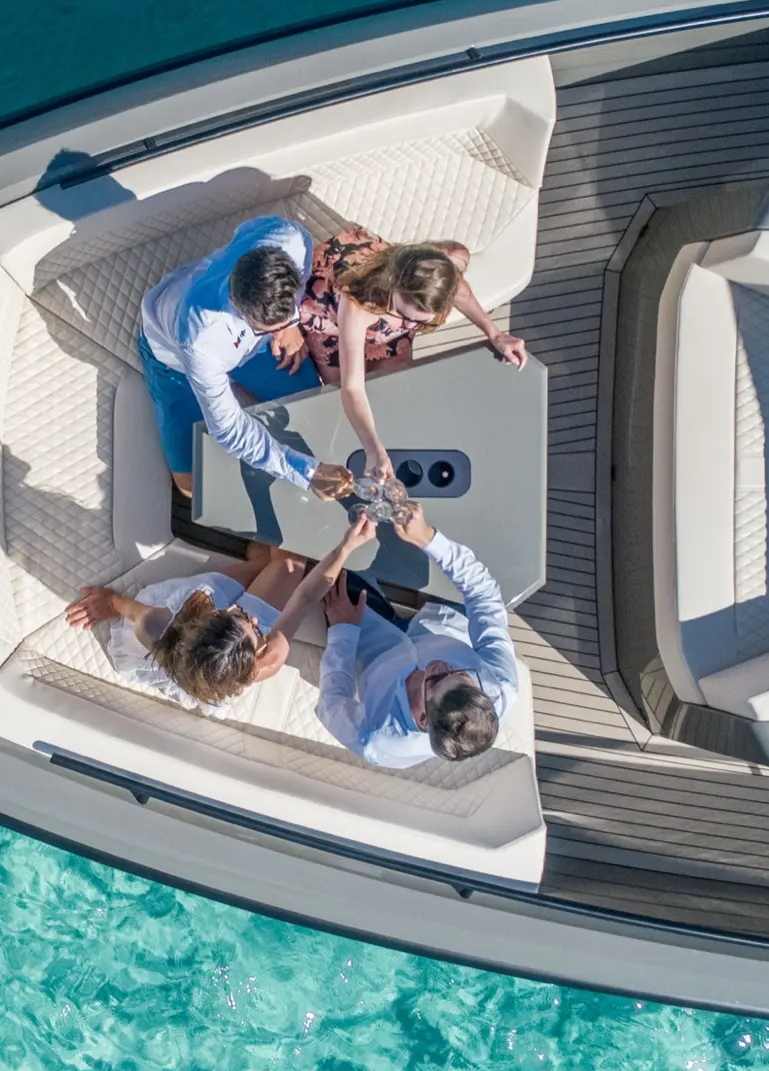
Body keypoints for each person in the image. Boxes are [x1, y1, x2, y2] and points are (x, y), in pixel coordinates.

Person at [275, 229, 527, 480]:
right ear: (393, 283)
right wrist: (372, 448)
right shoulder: (357, 303)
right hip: (331, 313)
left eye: (420, 321)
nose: (408, 324)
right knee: (337, 390)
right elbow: (352, 388)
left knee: (394, 386)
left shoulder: (439, 277)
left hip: (384, 319)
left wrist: (495, 334)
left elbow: (461, 292)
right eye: (405, 315)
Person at [139, 215, 354, 502]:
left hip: (255, 344)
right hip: (174, 361)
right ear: (235, 304)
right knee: (191, 483)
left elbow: (245, 231)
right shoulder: (199, 337)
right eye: (267, 327)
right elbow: (229, 429)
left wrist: (289, 327)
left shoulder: (288, 237)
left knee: (317, 411)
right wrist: (305, 473)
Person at [67, 516, 379, 713]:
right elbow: (305, 596)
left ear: (203, 618)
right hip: (218, 667)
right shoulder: (267, 658)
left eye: (238, 615)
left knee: (271, 565)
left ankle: (257, 562)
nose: (253, 619)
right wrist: (346, 548)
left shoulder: (156, 624)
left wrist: (110, 602)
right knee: (291, 566)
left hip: (187, 641)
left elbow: (124, 608)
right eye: (254, 628)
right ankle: (258, 560)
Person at [314, 502, 516, 766]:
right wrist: (427, 537)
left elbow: (331, 703)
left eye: (436, 678)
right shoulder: (500, 685)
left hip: (374, 649)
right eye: (461, 673)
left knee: (324, 553)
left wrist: (342, 633)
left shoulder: (377, 740)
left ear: (423, 720)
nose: (441, 665)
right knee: (459, 527)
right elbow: (484, 595)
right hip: (445, 624)